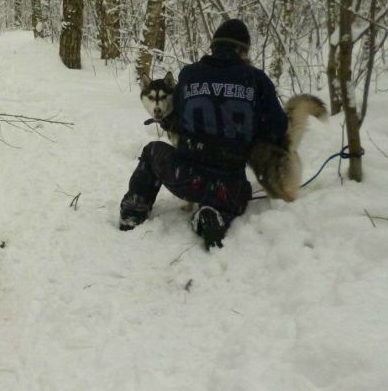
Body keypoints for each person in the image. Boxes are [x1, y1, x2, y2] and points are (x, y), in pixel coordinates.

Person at [118, 18, 288, 250]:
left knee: (152, 151)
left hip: (187, 177)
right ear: (242, 50)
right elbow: (277, 128)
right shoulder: (257, 80)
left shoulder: (188, 76)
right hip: (230, 186)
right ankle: (214, 213)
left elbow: (177, 115)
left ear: (214, 47)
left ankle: (134, 209)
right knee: (228, 194)